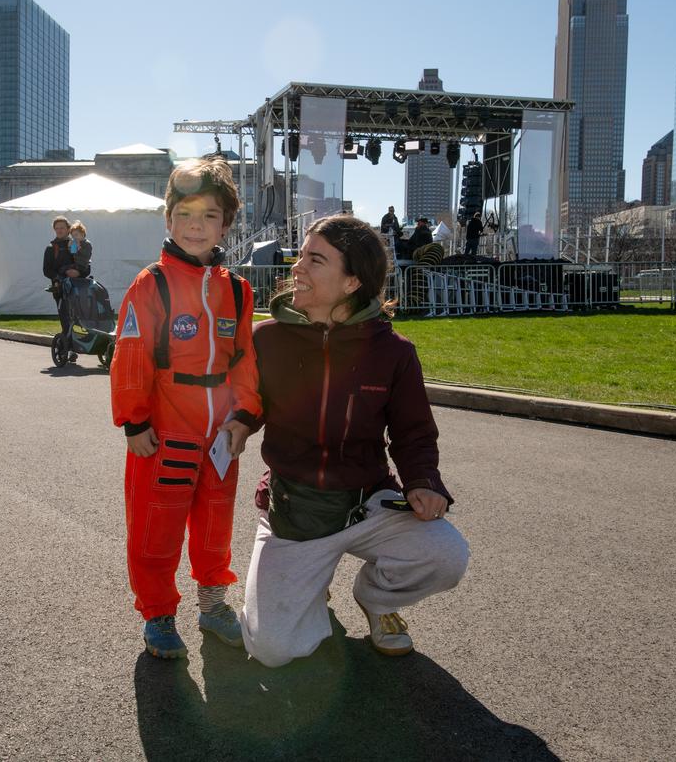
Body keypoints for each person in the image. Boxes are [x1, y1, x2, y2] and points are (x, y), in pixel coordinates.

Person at [239, 215, 469, 668]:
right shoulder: (266, 339)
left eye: (315, 259)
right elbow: (248, 404)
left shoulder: (394, 352)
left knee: (447, 554)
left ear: (351, 282)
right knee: (272, 650)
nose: (297, 266)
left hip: (367, 505)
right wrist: (236, 426)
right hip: (295, 510)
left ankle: (376, 599)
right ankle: (310, 585)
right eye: (301, 254)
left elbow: (414, 433)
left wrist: (424, 481)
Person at [110, 156, 261, 660]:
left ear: (226, 224)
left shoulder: (237, 292)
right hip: (164, 430)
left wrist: (244, 417)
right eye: (186, 215)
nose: (197, 226)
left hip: (220, 437)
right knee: (158, 524)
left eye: (210, 216)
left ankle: (213, 605)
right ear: (169, 219)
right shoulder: (149, 284)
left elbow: (244, 362)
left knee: (215, 524)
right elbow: (130, 356)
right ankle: (158, 614)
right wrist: (134, 421)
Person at [42, 216, 79, 337]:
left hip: (77, 286)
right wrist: (58, 277)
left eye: (62, 227)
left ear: (68, 229)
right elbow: (47, 270)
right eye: (57, 228)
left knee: (81, 315)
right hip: (60, 288)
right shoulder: (51, 248)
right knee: (65, 316)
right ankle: (68, 342)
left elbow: (80, 263)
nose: (59, 230)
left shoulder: (74, 245)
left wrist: (78, 273)